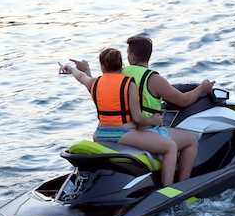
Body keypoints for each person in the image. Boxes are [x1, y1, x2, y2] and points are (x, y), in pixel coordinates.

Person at [70, 35, 215, 181]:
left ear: (131, 57)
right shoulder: (153, 79)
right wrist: (202, 88)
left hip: (107, 130)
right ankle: (180, 186)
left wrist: (85, 69)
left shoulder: (117, 74)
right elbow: (184, 100)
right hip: (142, 129)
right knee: (190, 140)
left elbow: (97, 87)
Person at [60, 48, 178, 187]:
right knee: (171, 147)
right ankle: (168, 189)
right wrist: (154, 120)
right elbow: (139, 118)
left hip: (99, 135)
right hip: (123, 135)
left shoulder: (94, 83)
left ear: (102, 66)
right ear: (121, 65)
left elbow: (80, 76)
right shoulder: (129, 84)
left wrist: (71, 68)